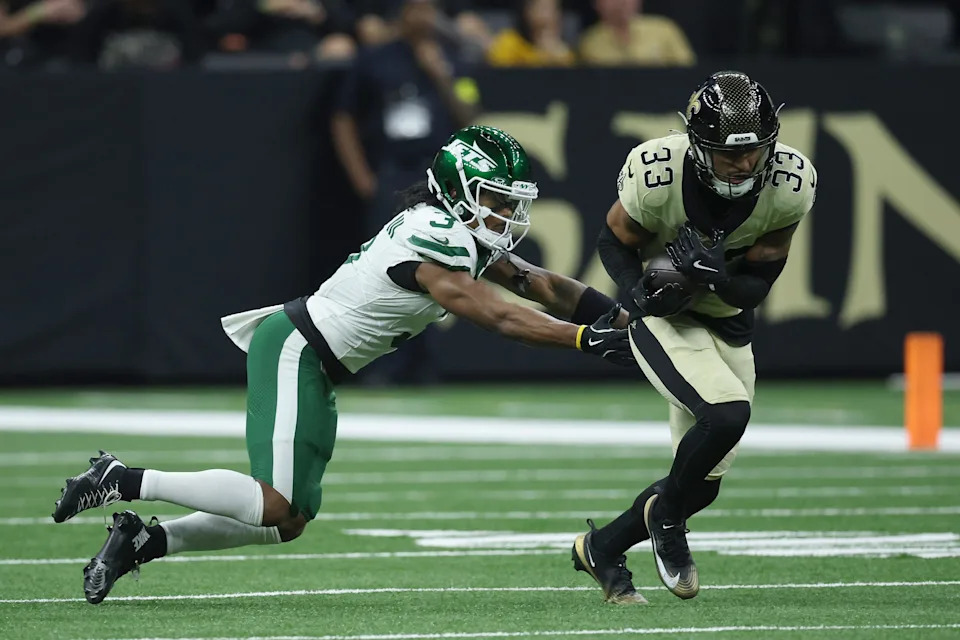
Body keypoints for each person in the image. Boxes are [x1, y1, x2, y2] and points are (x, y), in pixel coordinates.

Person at [52, 125, 635, 605]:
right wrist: (586, 340)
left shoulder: (458, 232)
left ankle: (141, 542)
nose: (506, 211)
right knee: (272, 500)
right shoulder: (436, 235)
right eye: (495, 198)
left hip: (317, 363)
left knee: (287, 519)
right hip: (296, 346)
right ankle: (121, 480)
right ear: (458, 190)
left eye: (510, 200)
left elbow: (541, 284)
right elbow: (501, 317)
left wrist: (619, 316)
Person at [571, 71, 817, 604]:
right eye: (731, 154)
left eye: (754, 151)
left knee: (703, 481)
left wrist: (716, 277)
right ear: (696, 143)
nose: (745, 164)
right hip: (666, 317)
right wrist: (643, 295)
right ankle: (667, 526)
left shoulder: (790, 184)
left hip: (727, 317)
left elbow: (759, 285)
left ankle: (603, 547)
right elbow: (612, 240)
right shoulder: (655, 171)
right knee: (726, 415)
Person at [578, 0, 694, 67]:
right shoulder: (590, 41)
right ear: (596, 4)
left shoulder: (664, 29)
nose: (622, 2)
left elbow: (688, 71)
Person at [486, 0, 574, 67]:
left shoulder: (562, 49)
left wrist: (558, 53)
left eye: (554, 10)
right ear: (528, 12)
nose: (549, 16)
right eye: (543, 9)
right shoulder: (510, 41)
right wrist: (541, 55)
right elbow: (499, 65)